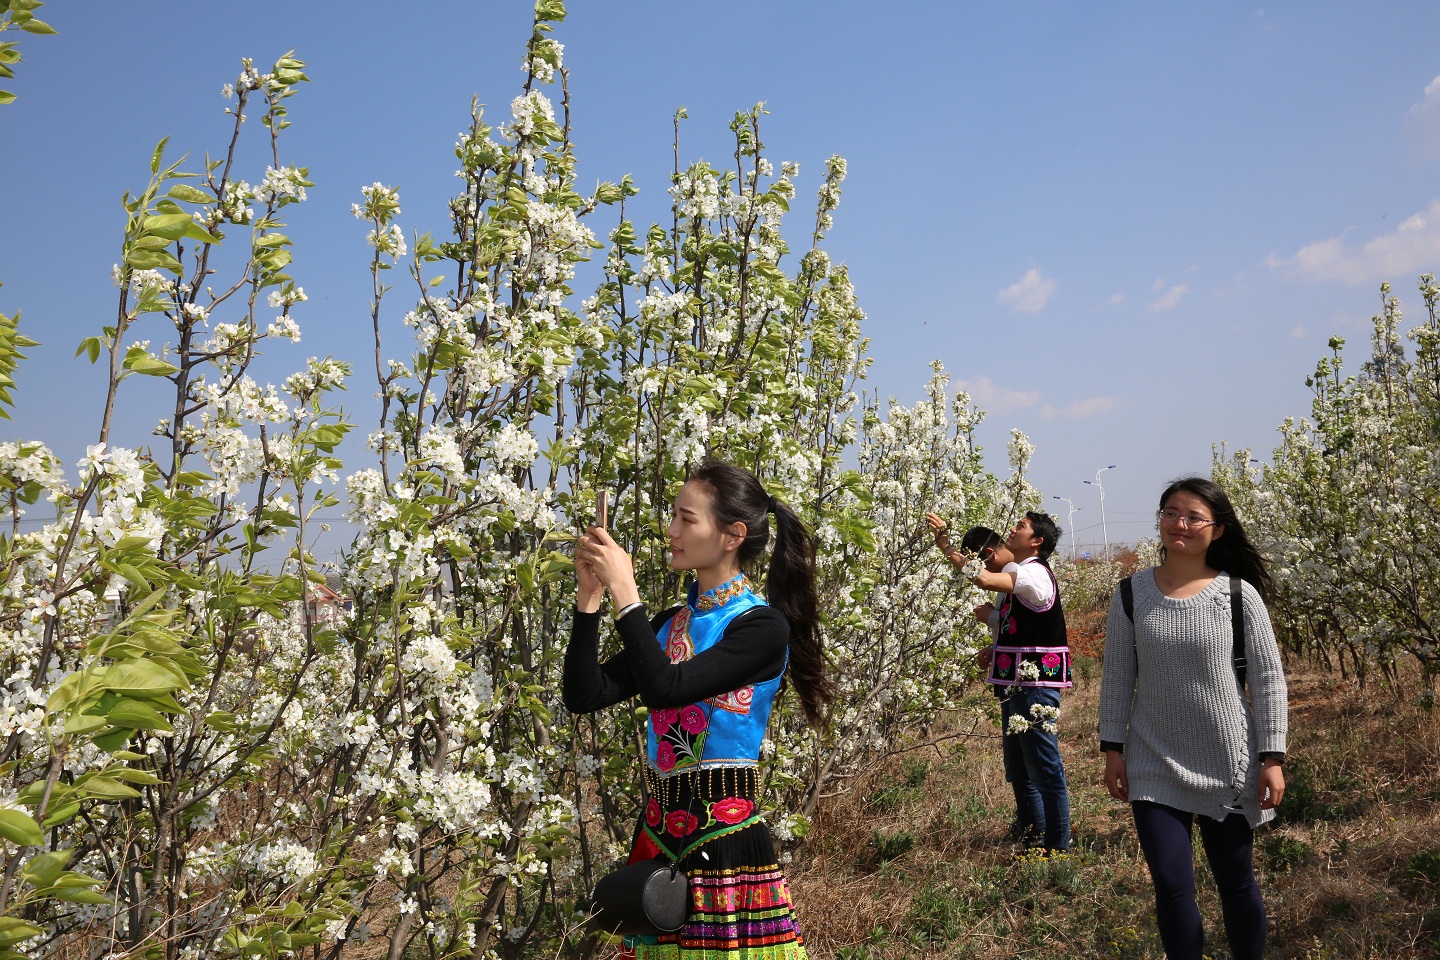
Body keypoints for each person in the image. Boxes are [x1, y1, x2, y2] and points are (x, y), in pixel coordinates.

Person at [565, 457, 828, 959]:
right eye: (673, 517)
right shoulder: (668, 624)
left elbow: (667, 687)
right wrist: (590, 598)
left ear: (732, 535)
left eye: (686, 519)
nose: (671, 531)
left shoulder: (760, 627)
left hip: (726, 842)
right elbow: (585, 695)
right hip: (661, 836)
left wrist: (626, 592)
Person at [1099, 477, 1288, 960]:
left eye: (1192, 517)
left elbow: (1267, 680)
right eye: (1170, 513)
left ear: (1217, 530)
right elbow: (1118, 677)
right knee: (1171, 884)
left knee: (1236, 882)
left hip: (1228, 759)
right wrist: (1112, 750)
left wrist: (1272, 757)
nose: (1179, 524)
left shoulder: (1238, 596)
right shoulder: (1131, 593)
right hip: (1152, 759)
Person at [925, 511, 1073, 854]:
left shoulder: (1034, 573)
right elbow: (1017, 622)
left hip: (1036, 685)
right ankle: (1033, 835)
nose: (1011, 529)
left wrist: (946, 546)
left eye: (1020, 526)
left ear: (1036, 541)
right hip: (1016, 684)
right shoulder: (1017, 576)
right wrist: (997, 649)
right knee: (1020, 768)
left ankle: (1057, 847)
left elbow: (985, 580)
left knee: (1045, 768)